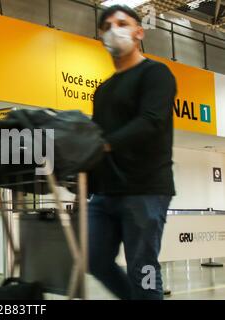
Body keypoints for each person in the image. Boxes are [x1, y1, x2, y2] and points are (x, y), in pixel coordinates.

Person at [88, 5, 177, 300]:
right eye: (108, 25)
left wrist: (105, 144)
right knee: (95, 259)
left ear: (139, 32)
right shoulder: (102, 91)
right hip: (105, 194)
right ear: (101, 36)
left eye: (123, 23)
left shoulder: (156, 74)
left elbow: (151, 121)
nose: (115, 29)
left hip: (146, 190)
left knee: (144, 268)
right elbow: (95, 137)